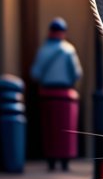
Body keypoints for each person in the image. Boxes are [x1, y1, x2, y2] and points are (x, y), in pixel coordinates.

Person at [31, 18, 83, 171]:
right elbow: (76, 73)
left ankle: (50, 160)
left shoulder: (43, 50)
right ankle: (65, 160)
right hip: (65, 94)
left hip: (47, 94)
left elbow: (35, 73)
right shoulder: (68, 50)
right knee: (66, 129)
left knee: (50, 129)